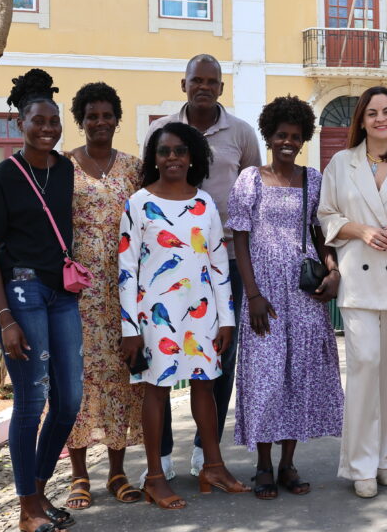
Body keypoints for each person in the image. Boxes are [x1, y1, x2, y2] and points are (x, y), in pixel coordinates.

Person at [0, 69, 82, 532]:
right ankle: (27, 509)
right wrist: (5, 318)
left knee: (69, 400)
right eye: (38, 120)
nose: (47, 128)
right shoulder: (0, 178)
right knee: (32, 399)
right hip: (21, 292)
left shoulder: (65, 169)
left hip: (62, 293)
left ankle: (37, 490)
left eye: (54, 121)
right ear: (20, 123)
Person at [119, 123, 249, 509]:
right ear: (153, 158)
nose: (172, 157)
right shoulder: (138, 203)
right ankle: (155, 477)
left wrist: (226, 319)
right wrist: (130, 328)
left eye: (180, 150)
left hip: (201, 313)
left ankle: (213, 467)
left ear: (193, 157)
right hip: (154, 315)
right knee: (156, 390)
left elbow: (218, 265)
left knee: (205, 385)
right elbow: (126, 269)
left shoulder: (205, 203)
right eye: (164, 151)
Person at [145, 53, 261, 478]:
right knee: (161, 354)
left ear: (221, 88)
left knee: (220, 355)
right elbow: (147, 186)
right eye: (197, 80)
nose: (204, 87)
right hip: (169, 262)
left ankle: (204, 448)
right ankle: (160, 454)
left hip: (225, 260)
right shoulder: (160, 130)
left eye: (212, 82)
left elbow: (254, 196)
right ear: (184, 84)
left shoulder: (242, 133)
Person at [317, 86, 387, 499]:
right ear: (362, 121)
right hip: (359, 277)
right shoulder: (341, 163)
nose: (381, 118)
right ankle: (361, 463)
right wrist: (361, 230)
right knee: (365, 365)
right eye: (372, 113)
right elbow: (326, 215)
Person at [228, 95, 344, 500]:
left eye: (295, 136)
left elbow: (320, 234)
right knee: (266, 377)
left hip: (303, 291)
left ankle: (288, 464)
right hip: (264, 292)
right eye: (281, 135)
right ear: (269, 135)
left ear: (304, 138)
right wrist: (253, 294)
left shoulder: (313, 179)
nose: (288, 143)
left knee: (299, 375)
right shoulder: (250, 179)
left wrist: (333, 271)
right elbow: (240, 239)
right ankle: (262, 464)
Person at [62, 83, 145, 510]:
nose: (99, 122)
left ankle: (117, 471)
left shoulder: (134, 168)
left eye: (107, 115)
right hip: (76, 294)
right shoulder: (63, 166)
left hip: (124, 293)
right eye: (91, 115)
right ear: (81, 120)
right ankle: (78, 476)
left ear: (117, 119)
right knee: (75, 379)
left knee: (119, 380)